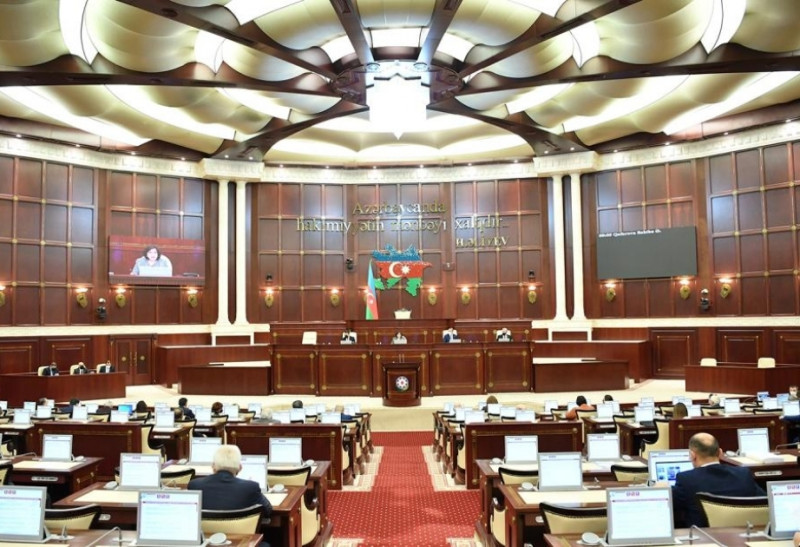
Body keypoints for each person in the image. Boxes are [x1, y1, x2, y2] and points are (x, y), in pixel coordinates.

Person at [671, 432, 765, 528]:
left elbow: (668, 504)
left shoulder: (686, 479)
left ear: (692, 455)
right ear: (720, 453)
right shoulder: (743, 474)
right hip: (743, 534)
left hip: (704, 536)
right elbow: (765, 501)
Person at [188, 444, 272, 515]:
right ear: (240, 467)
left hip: (205, 530)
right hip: (240, 530)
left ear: (213, 466)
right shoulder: (251, 487)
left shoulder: (195, 485)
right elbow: (268, 510)